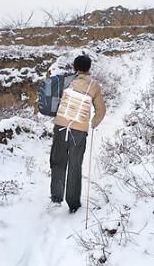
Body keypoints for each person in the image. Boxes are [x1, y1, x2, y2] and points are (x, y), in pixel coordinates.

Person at [49, 55, 106, 213]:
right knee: (75, 166)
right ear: (89, 68)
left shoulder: (66, 80)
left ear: (74, 67)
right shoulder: (94, 86)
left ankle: (56, 197)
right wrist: (93, 123)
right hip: (79, 131)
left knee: (58, 162)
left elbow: (54, 100)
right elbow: (101, 110)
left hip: (60, 126)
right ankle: (73, 204)